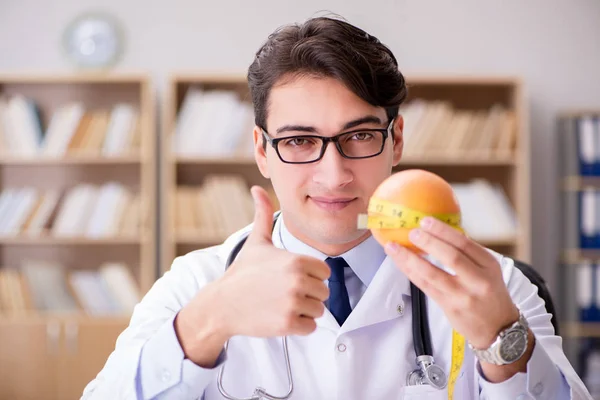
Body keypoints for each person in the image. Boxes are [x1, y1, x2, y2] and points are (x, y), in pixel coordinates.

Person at [82, 15, 592, 400]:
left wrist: (505, 348)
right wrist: (208, 322)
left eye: (360, 135)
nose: (334, 174)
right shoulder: (196, 284)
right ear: (262, 150)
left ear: (396, 141)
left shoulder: (495, 286)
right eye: (300, 140)